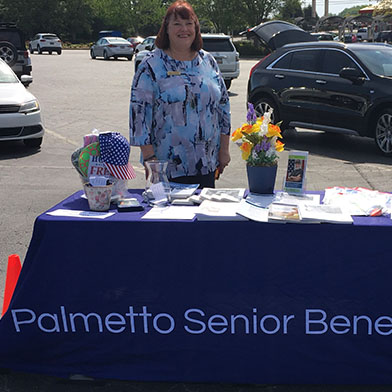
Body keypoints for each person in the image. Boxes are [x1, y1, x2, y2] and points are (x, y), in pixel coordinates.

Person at [129, 0, 230, 188]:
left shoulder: (208, 61)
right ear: (166, 29)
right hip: (166, 169)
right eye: (177, 24)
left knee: (202, 216)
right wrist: (149, 158)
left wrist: (224, 150)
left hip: (206, 165)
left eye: (189, 23)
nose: (184, 29)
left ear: (196, 28)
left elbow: (223, 107)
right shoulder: (151, 66)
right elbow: (139, 116)